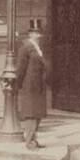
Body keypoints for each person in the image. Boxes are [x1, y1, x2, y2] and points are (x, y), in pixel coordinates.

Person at [14, 18, 48, 150]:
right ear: (30, 34)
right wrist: (18, 84)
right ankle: (29, 142)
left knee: (37, 114)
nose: (39, 35)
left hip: (38, 85)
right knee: (31, 114)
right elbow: (21, 68)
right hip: (29, 86)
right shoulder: (26, 47)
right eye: (35, 33)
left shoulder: (37, 47)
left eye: (39, 33)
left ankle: (34, 140)